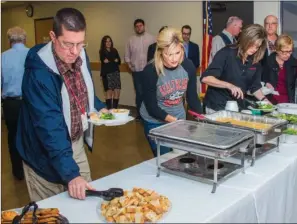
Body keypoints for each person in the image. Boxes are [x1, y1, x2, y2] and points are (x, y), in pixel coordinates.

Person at [16, 8, 107, 202]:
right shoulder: (39, 73)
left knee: (86, 206)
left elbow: (83, 92)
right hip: (44, 152)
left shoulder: (80, 54)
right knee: (53, 213)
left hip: (75, 145)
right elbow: (49, 127)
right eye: (68, 44)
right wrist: (72, 174)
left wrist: (100, 107)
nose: (74, 51)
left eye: (80, 43)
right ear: (53, 37)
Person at [140, 27, 203, 157]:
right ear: (160, 52)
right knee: (164, 158)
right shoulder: (150, 71)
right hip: (155, 121)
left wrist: (203, 118)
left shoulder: (188, 66)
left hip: (178, 117)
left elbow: (192, 98)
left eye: (177, 53)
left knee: (181, 156)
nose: (174, 59)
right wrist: (174, 121)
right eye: (169, 54)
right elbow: (151, 107)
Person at [201, 24, 270, 113]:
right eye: (252, 45)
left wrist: (265, 101)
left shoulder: (255, 62)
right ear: (245, 39)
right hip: (216, 105)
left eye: (257, 47)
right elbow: (206, 78)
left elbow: (255, 87)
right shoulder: (227, 53)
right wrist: (229, 85)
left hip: (236, 106)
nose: (254, 49)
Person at [1, 26, 29, 180]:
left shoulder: (2, 57)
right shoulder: (32, 54)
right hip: (30, 103)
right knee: (31, 135)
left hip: (10, 104)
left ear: (9, 41)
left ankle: (18, 172)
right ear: (24, 39)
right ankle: (32, 170)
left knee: (13, 137)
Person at [124, 19, 155, 120]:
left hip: (149, 71)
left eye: (140, 26)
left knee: (149, 92)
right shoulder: (130, 40)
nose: (139, 28)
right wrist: (130, 66)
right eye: (137, 26)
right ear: (135, 28)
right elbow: (127, 55)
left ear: (144, 26)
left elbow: (156, 54)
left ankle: (150, 113)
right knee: (139, 93)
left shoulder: (151, 38)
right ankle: (140, 114)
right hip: (136, 71)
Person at [262, 34, 297, 104]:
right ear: (277, 50)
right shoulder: (268, 61)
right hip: (270, 101)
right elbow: (262, 79)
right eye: (284, 52)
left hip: (288, 102)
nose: (288, 55)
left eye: (290, 51)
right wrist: (266, 83)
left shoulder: (294, 63)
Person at [99, 35, 121, 109]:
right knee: (109, 92)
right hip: (107, 74)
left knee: (117, 91)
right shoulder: (102, 51)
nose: (108, 43)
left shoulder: (114, 50)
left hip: (115, 72)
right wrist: (114, 60)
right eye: (106, 41)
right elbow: (105, 60)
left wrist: (113, 60)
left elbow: (119, 61)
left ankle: (114, 110)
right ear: (104, 43)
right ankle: (109, 110)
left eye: (109, 41)